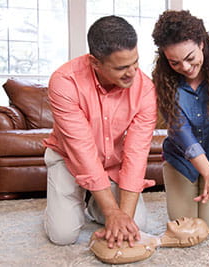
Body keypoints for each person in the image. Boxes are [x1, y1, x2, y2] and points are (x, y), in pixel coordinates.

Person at [43, 15, 157, 249]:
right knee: (62, 236)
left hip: (111, 162)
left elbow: (136, 153)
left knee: (137, 223)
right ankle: (66, 205)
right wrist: (112, 212)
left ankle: (96, 205)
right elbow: (82, 151)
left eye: (135, 62)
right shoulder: (64, 82)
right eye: (121, 67)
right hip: (68, 158)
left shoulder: (145, 88)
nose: (132, 73)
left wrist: (121, 216)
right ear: (95, 62)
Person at [151, 10, 209, 233]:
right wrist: (206, 173)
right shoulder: (163, 80)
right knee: (187, 226)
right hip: (181, 159)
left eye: (190, 58)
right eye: (175, 62)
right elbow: (179, 130)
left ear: (202, 43)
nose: (185, 67)